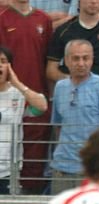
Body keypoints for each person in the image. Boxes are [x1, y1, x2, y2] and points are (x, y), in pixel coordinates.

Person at [50, 40, 99, 195]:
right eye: (76, 58)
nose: (81, 63)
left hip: (92, 170)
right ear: (66, 60)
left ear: (92, 59)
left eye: (86, 58)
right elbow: (57, 125)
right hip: (61, 168)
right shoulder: (60, 87)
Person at [0, 0, 54, 194]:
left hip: (34, 99)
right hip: (5, 99)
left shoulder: (44, 20)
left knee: (34, 158)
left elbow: (49, 62)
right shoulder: (2, 17)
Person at [46, 0, 99, 115]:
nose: (93, 2)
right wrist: (74, 82)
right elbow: (50, 69)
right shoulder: (64, 31)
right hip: (73, 97)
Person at [0, 47, 48, 195]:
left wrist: (17, 83)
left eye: (3, 62)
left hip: (8, 171)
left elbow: (42, 106)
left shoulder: (18, 95)